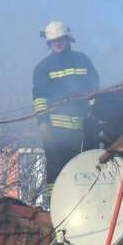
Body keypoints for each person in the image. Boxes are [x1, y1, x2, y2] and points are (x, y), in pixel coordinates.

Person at [32, 20, 99, 203]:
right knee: (57, 169)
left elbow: (94, 89)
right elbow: (40, 97)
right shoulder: (43, 68)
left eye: (61, 39)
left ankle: (85, 203)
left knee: (85, 168)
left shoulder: (83, 60)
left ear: (68, 39)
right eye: (54, 41)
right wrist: (42, 123)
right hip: (56, 131)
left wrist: (93, 111)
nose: (58, 43)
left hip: (84, 128)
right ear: (49, 43)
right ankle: (56, 205)